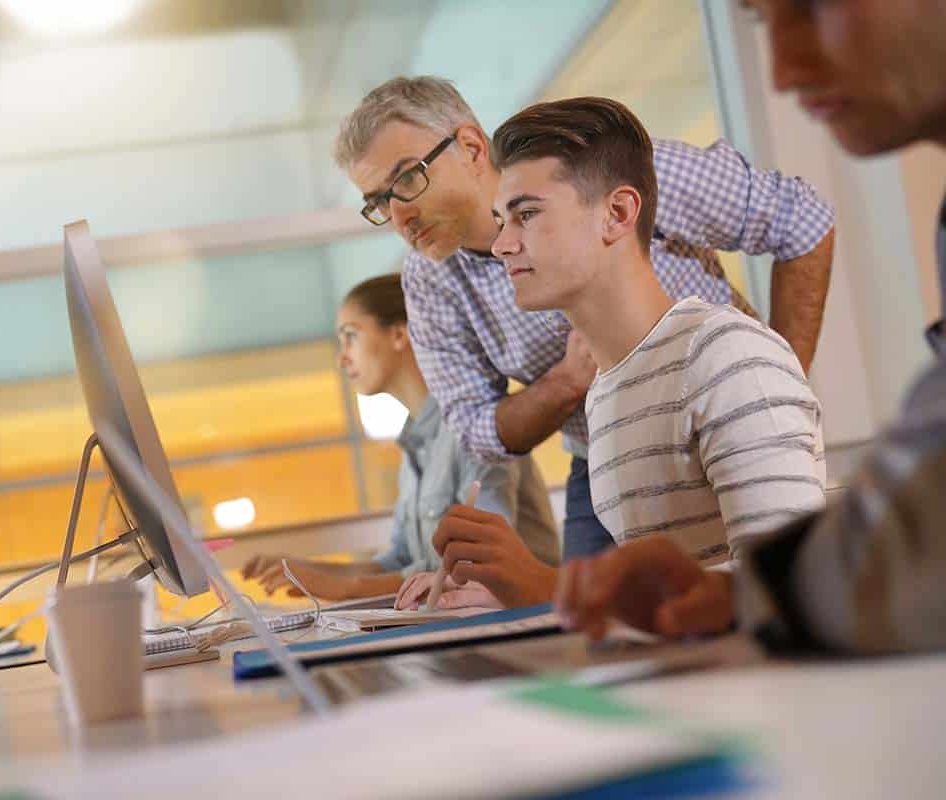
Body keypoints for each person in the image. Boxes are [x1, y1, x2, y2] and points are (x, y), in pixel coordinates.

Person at [553, 0, 946, 655]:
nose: (782, 73)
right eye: (766, 23)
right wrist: (743, 596)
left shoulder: (723, 352)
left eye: (813, 8)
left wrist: (770, 375)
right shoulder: (605, 392)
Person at [335, 76, 835, 562]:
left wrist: (773, 384)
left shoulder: (607, 175)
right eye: (378, 202)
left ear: (469, 147)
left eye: (406, 179)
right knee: (598, 628)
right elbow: (476, 432)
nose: (398, 218)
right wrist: (566, 384)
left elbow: (799, 218)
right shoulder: (431, 282)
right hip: (608, 438)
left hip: (718, 403)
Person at [241, 274, 557, 602]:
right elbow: (397, 563)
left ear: (398, 334)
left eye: (351, 336)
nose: (342, 358)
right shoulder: (415, 444)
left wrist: (347, 588)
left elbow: (481, 562)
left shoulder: (472, 426)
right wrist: (306, 571)